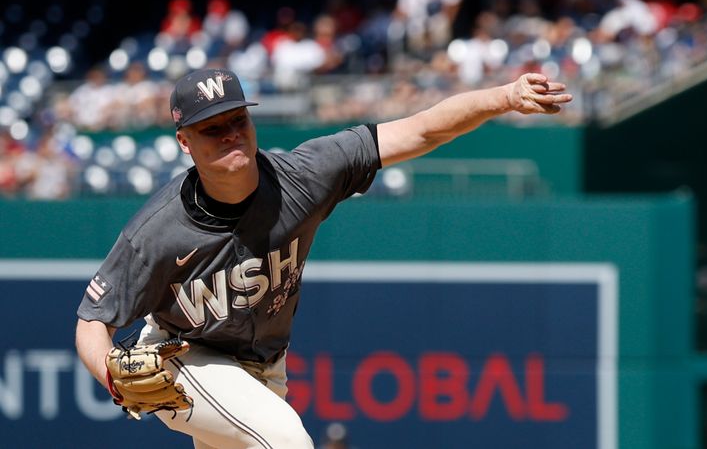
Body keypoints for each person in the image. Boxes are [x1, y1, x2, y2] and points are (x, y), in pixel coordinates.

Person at [75, 67, 571, 448]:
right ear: (185, 142)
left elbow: (419, 131)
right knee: (287, 441)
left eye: (237, 119)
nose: (230, 133)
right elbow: (91, 321)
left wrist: (503, 97)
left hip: (267, 366)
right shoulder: (158, 230)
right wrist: (113, 378)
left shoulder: (304, 175)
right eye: (211, 128)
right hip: (185, 361)